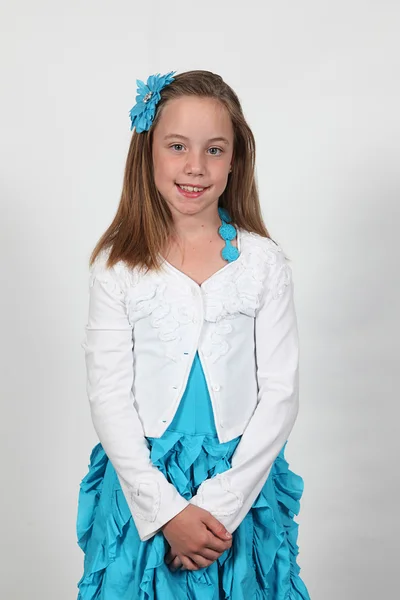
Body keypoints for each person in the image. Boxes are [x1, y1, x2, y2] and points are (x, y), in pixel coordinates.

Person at [76, 69, 311, 599]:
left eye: (215, 150)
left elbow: (280, 393)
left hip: (240, 486)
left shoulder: (262, 262)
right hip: (145, 485)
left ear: (235, 160)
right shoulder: (118, 267)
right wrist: (167, 512)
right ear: (148, 152)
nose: (195, 167)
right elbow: (108, 396)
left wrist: (221, 506)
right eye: (177, 146)